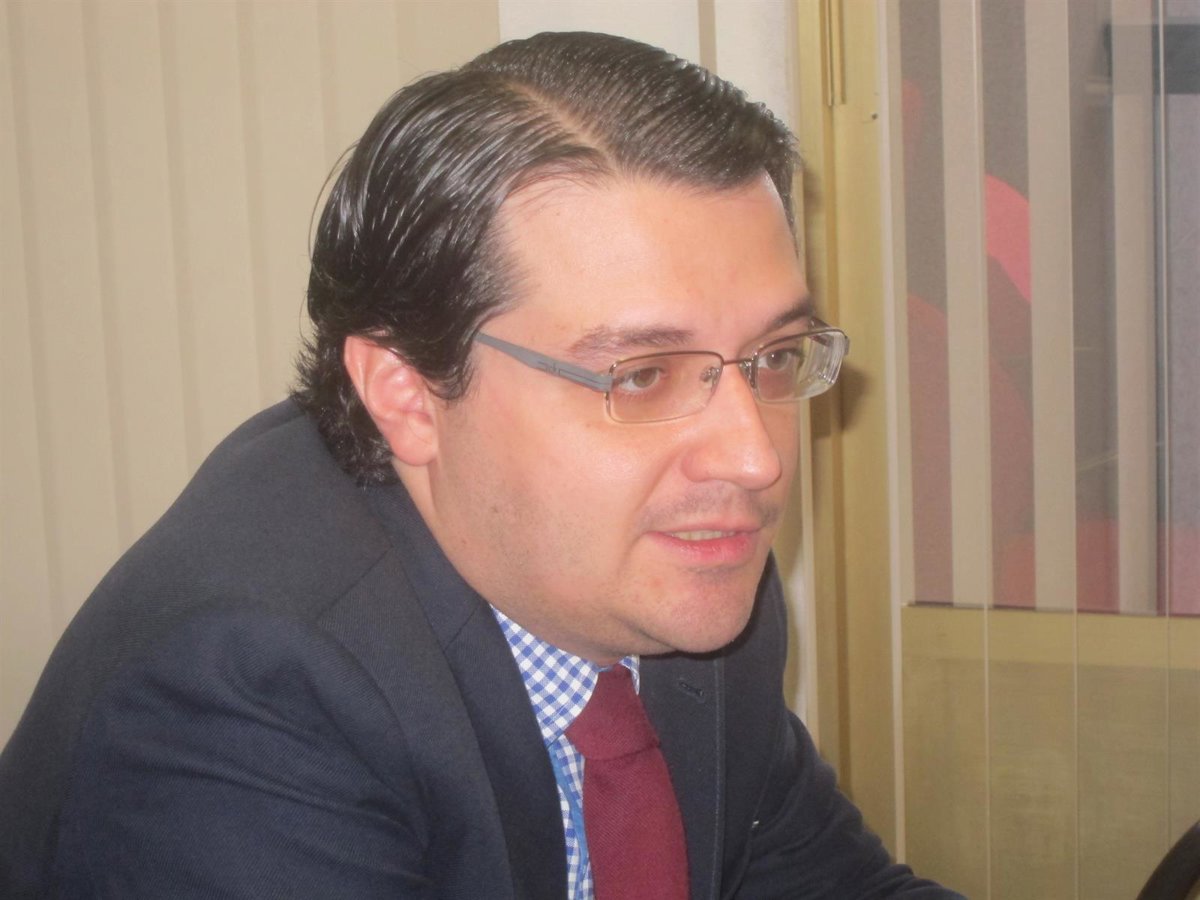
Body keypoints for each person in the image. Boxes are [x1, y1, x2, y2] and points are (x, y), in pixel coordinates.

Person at [0, 31, 962, 899]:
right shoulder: (246, 695)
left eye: (776, 358)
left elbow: (822, 880)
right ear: (408, 395)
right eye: (641, 376)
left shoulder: (687, 569)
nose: (753, 459)